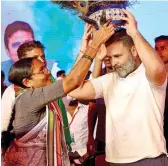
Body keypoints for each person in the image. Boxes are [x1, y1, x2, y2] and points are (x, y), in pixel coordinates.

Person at [2, 21, 115, 165]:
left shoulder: (50, 85)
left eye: (43, 56)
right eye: (35, 59)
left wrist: (85, 50)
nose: (42, 62)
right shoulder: (15, 93)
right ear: (23, 65)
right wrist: (93, 47)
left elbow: (73, 85)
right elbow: (2, 132)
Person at [69, 9, 168, 165]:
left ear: (134, 50)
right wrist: (86, 49)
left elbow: (157, 68)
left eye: (118, 56)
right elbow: (73, 89)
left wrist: (135, 33)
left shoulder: (148, 76)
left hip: (149, 159)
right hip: (114, 161)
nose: (113, 62)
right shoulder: (108, 79)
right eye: (109, 58)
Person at [155, 35, 168, 151]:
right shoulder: (152, 75)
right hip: (157, 127)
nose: (159, 52)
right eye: (156, 48)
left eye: (163, 48)